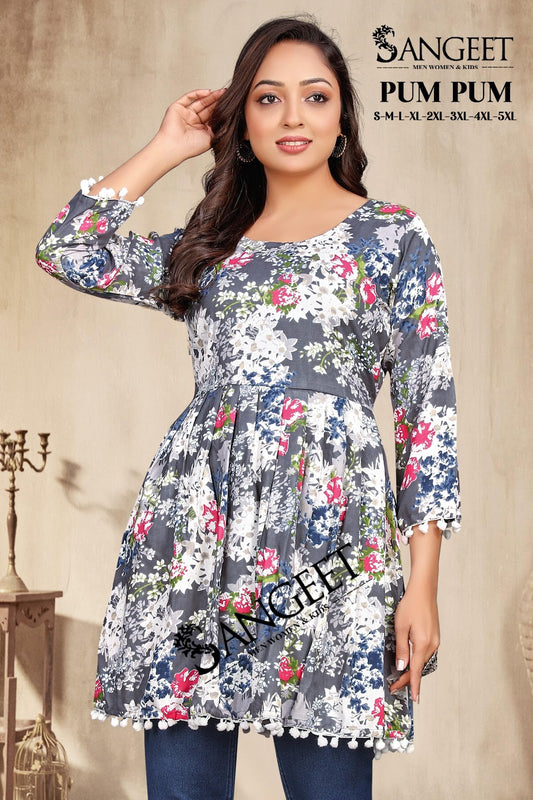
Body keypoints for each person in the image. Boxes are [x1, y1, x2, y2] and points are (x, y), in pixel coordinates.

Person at [35, 14, 461, 800]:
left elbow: (425, 416)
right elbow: (68, 250)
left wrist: (422, 586)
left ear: (342, 117)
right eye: (267, 98)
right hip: (194, 543)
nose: (292, 116)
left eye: (314, 96)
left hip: (333, 553)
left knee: (329, 787)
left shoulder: (391, 237)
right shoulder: (209, 245)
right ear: (241, 119)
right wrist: (168, 145)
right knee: (184, 788)